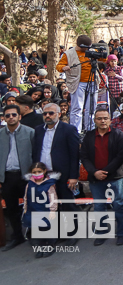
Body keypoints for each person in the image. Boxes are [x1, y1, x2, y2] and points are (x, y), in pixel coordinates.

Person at [79, 108, 123, 246]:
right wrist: (94, 172)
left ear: (110, 120)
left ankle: (121, 233)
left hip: (114, 177)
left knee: (118, 205)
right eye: (99, 118)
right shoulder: (89, 136)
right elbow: (84, 156)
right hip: (95, 177)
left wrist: (105, 171)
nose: (102, 121)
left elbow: (121, 156)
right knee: (99, 206)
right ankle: (102, 232)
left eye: (105, 118)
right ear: (94, 120)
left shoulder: (118, 135)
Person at [32, 103, 80, 221]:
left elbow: (75, 155)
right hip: (44, 176)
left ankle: (72, 233)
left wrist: (74, 177)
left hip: (63, 175)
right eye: (45, 113)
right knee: (50, 206)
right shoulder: (38, 130)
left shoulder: (69, 129)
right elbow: (36, 151)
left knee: (67, 205)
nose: (47, 116)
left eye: (51, 113)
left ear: (59, 114)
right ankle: (56, 234)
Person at [0, 104, 35, 252]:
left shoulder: (30, 132)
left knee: (32, 207)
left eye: (14, 115)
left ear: (19, 116)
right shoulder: (0, 134)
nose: (11, 117)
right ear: (4, 118)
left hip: (26, 176)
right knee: (12, 208)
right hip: (7, 177)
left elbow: (36, 155)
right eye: (7, 115)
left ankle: (34, 235)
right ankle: (17, 236)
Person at [55, 34, 106, 132]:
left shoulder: (91, 51)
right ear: (79, 45)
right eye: (85, 47)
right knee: (77, 107)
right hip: (77, 83)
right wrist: (63, 67)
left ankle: (90, 129)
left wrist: (102, 53)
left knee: (91, 107)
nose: (86, 49)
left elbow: (103, 59)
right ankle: (76, 130)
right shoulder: (68, 53)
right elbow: (59, 66)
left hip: (92, 82)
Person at [21, 162, 57, 258]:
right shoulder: (30, 184)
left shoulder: (49, 184)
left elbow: (53, 199)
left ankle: (49, 246)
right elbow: (26, 197)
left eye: (39, 171)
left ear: (44, 171)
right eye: (34, 172)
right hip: (32, 211)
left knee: (46, 229)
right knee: (35, 230)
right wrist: (25, 208)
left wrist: (53, 211)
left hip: (45, 210)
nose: (37, 174)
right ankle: (40, 247)